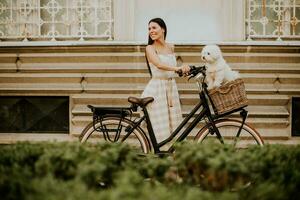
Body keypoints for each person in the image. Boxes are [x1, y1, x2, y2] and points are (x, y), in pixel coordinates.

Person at [141, 17, 190, 143]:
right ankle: (160, 154)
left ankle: (174, 155)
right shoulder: (150, 48)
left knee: (174, 123)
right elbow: (159, 65)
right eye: (149, 29)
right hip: (157, 89)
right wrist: (177, 68)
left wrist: (183, 70)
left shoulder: (171, 47)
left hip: (171, 89)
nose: (151, 31)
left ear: (163, 29)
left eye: (154, 27)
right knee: (160, 126)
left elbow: (172, 70)